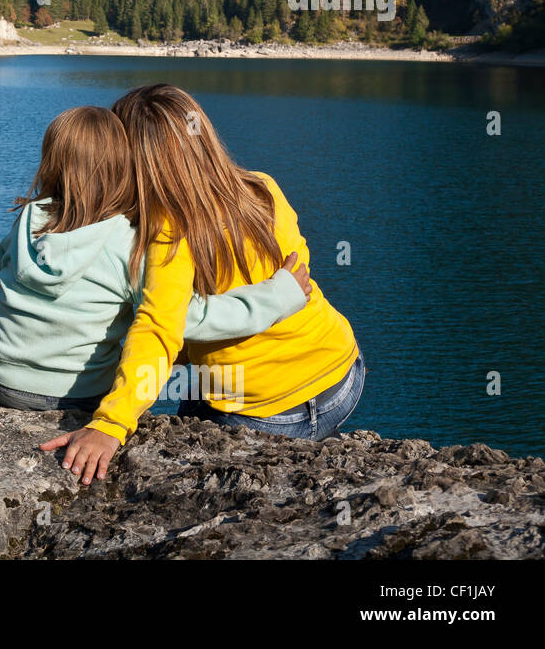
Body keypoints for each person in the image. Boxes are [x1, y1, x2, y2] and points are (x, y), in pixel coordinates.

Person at [41, 86, 365, 485]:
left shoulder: (168, 237)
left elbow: (158, 330)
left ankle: (305, 436)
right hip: (342, 373)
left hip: (267, 413)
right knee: (191, 383)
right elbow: (298, 271)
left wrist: (110, 424)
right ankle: (320, 437)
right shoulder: (261, 188)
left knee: (188, 415)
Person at [0, 105, 312, 413]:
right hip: (74, 395)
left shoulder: (27, 219)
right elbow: (188, 316)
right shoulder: (127, 245)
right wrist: (277, 296)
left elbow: (4, 265)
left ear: (51, 163)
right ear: (122, 168)